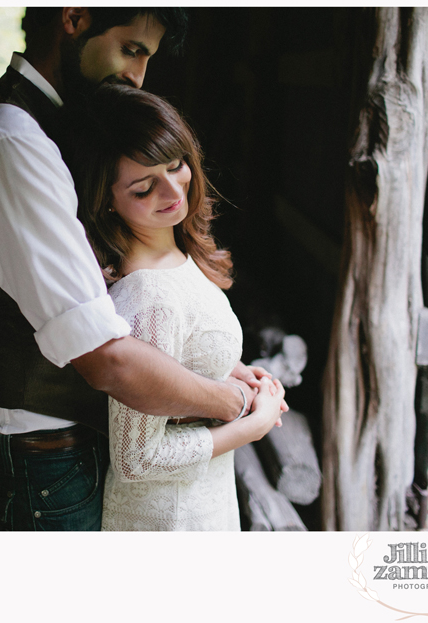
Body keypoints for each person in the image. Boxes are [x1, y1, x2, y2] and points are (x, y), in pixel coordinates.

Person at [0, 7, 268, 531]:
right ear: (74, 17)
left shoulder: (64, 127)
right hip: (42, 457)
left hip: (69, 447)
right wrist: (230, 401)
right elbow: (106, 357)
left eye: (147, 58)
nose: (137, 75)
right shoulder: (11, 142)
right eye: (130, 49)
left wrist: (214, 366)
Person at [65, 84, 287, 530]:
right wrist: (253, 424)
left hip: (201, 503)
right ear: (105, 199)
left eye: (176, 165)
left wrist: (232, 369)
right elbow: (137, 460)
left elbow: (181, 357)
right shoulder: (147, 296)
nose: (172, 191)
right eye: (144, 188)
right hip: (167, 520)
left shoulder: (177, 257)